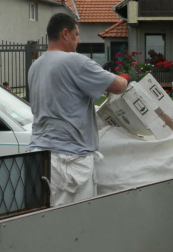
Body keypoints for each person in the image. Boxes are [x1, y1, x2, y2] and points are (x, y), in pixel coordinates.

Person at [27, 13, 128, 206]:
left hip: (39, 157)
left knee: (42, 223)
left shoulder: (36, 66)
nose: (79, 41)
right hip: (68, 162)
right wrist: (124, 77)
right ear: (65, 33)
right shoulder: (74, 61)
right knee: (73, 226)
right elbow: (118, 86)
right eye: (77, 34)